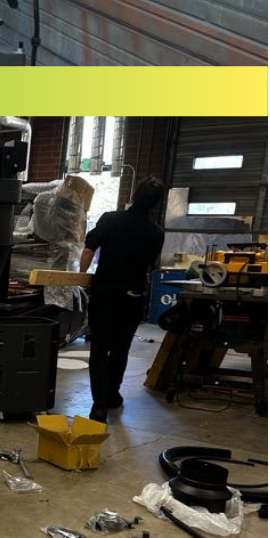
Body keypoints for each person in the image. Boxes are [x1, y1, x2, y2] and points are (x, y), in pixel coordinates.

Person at [78, 177, 167, 422]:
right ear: (155, 204)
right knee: (121, 348)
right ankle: (113, 393)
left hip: (106, 294)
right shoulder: (157, 232)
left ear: (133, 194)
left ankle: (99, 405)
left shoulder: (110, 219)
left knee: (99, 348)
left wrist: (80, 278)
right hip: (133, 295)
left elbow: (89, 249)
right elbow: (148, 263)